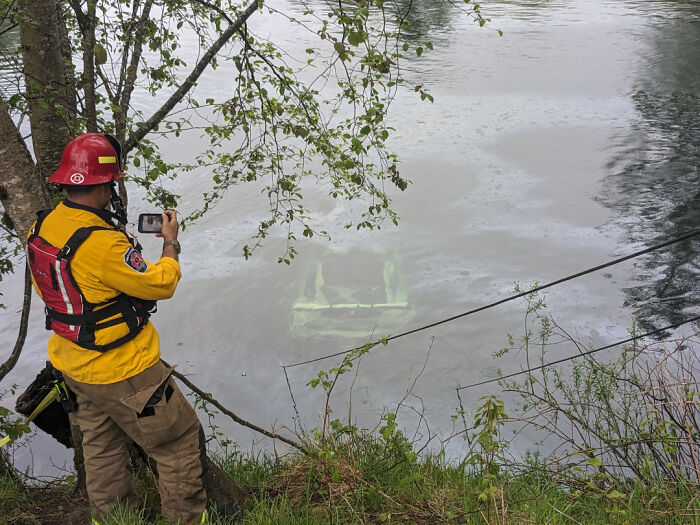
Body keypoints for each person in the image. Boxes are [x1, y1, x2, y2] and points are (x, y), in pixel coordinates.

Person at [26, 133, 207, 524]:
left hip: (75, 366)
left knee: (102, 448)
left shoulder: (42, 227)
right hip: (125, 371)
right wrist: (170, 246)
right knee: (177, 444)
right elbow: (160, 284)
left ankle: (112, 520)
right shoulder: (102, 244)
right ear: (107, 185)